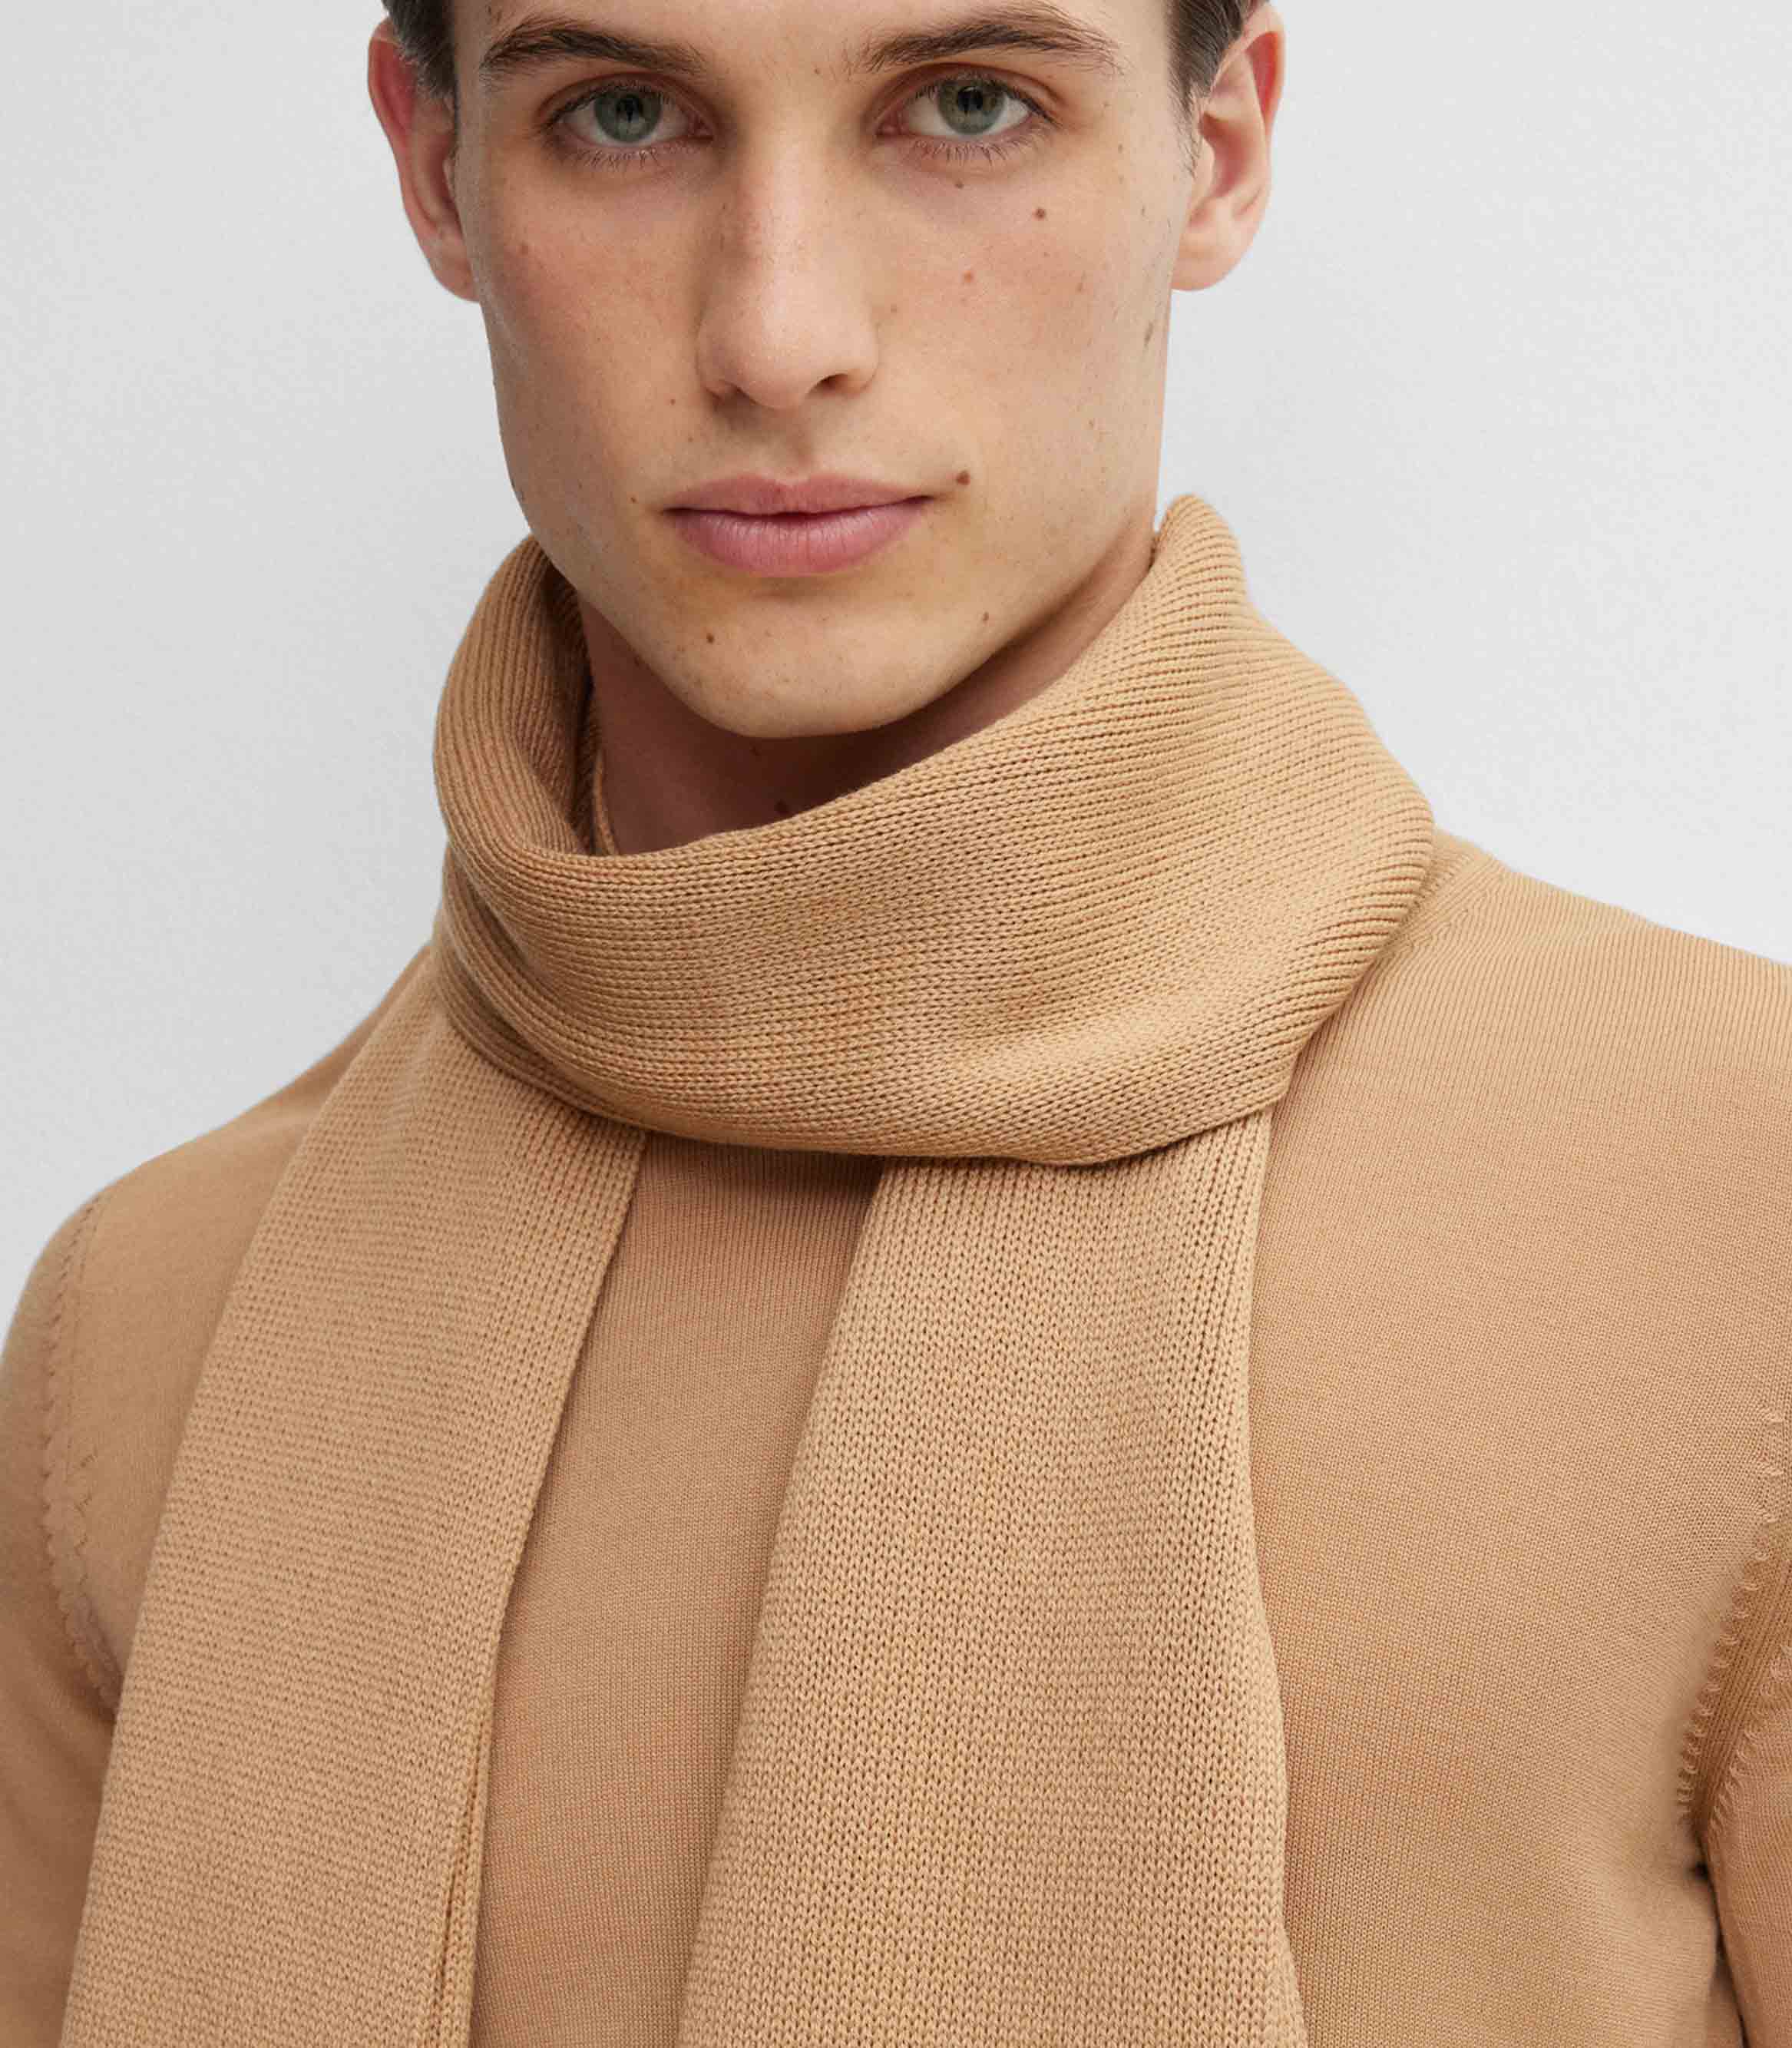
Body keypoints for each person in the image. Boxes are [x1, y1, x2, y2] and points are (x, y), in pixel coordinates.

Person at [3, 2, 1787, 2043]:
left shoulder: (1736, 1214)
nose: (779, 335)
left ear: (1216, 148)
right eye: (622, 115)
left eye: (967, 105)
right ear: (436, 170)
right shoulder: (149, 1336)